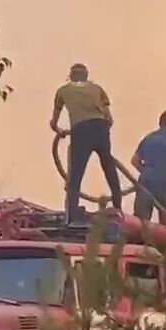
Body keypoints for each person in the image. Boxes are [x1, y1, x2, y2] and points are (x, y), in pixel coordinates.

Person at [50, 63, 121, 223]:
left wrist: (59, 130)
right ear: (87, 76)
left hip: (80, 129)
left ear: (70, 76)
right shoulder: (97, 89)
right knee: (108, 166)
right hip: (100, 127)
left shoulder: (63, 91)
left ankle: (72, 217)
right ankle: (118, 207)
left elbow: (54, 121)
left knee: (75, 174)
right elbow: (109, 118)